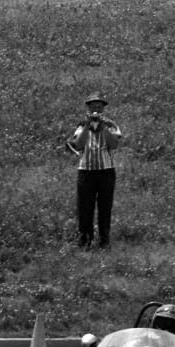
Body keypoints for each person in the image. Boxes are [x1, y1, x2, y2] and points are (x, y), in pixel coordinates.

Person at [66, 91, 122, 249]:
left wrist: (103, 128)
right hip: (86, 171)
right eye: (93, 107)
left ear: (103, 108)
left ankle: (105, 240)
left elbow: (114, 144)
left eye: (99, 106)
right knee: (84, 207)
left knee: (105, 207)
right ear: (88, 108)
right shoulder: (81, 124)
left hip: (106, 171)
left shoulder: (111, 124)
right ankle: (85, 241)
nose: (96, 110)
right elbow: (78, 144)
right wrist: (87, 126)